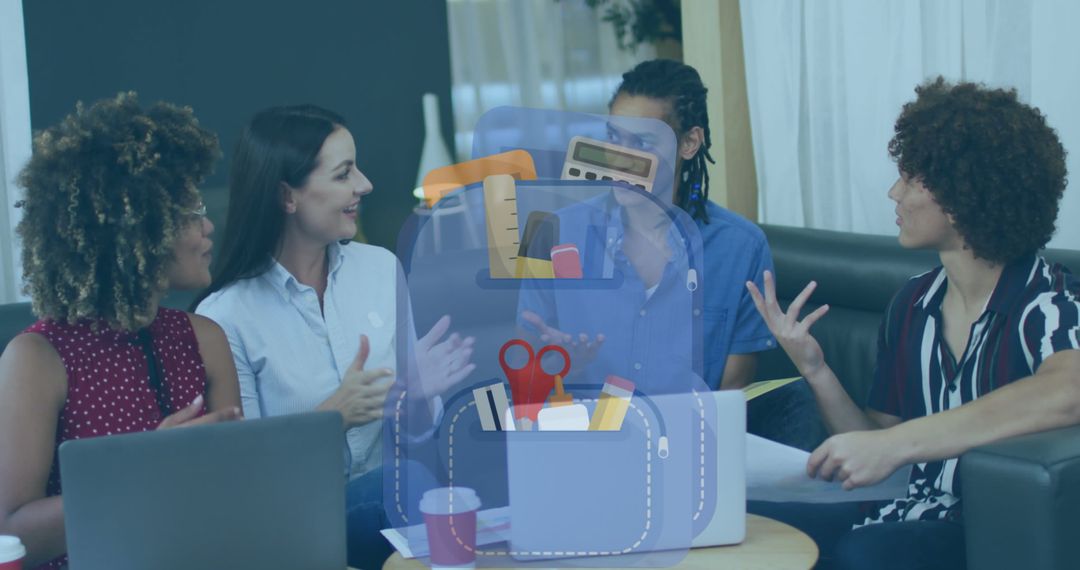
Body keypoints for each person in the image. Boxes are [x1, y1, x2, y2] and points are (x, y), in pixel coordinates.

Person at [746, 78, 1080, 569]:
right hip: (895, 510)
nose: (893, 193)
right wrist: (815, 369)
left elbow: (1069, 390)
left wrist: (894, 445)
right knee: (751, 525)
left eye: (909, 179)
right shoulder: (912, 302)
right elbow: (877, 445)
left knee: (864, 555)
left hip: (976, 527)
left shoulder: (1049, 302)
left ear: (964, 194)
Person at [193, 105, 473, 569]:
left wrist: (415, 397)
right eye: (344, 174)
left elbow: (415, 435)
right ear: (287, 196)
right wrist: (334, 416)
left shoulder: (380, 269)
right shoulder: (225, 316)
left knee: (427, 485)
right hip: (293, 522)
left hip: (389, 500)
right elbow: (244, 473)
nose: (365, 184)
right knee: (414, 488)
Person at [519, 59, 824, 447]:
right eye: (613, 138)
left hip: (690, 451)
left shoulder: (741, 248)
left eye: (642, 143)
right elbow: (525, 381)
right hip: (583, 449)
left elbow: (729, 398)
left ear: (689, 143)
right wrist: (563, 368)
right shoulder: (553, 235)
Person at [0, 93, 242, 569]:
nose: (208, 226)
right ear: (137, 229)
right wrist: (144, 469)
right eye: (191, 211)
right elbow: (10, 534)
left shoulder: (205, 338)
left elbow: (239, 489)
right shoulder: (37, 357)